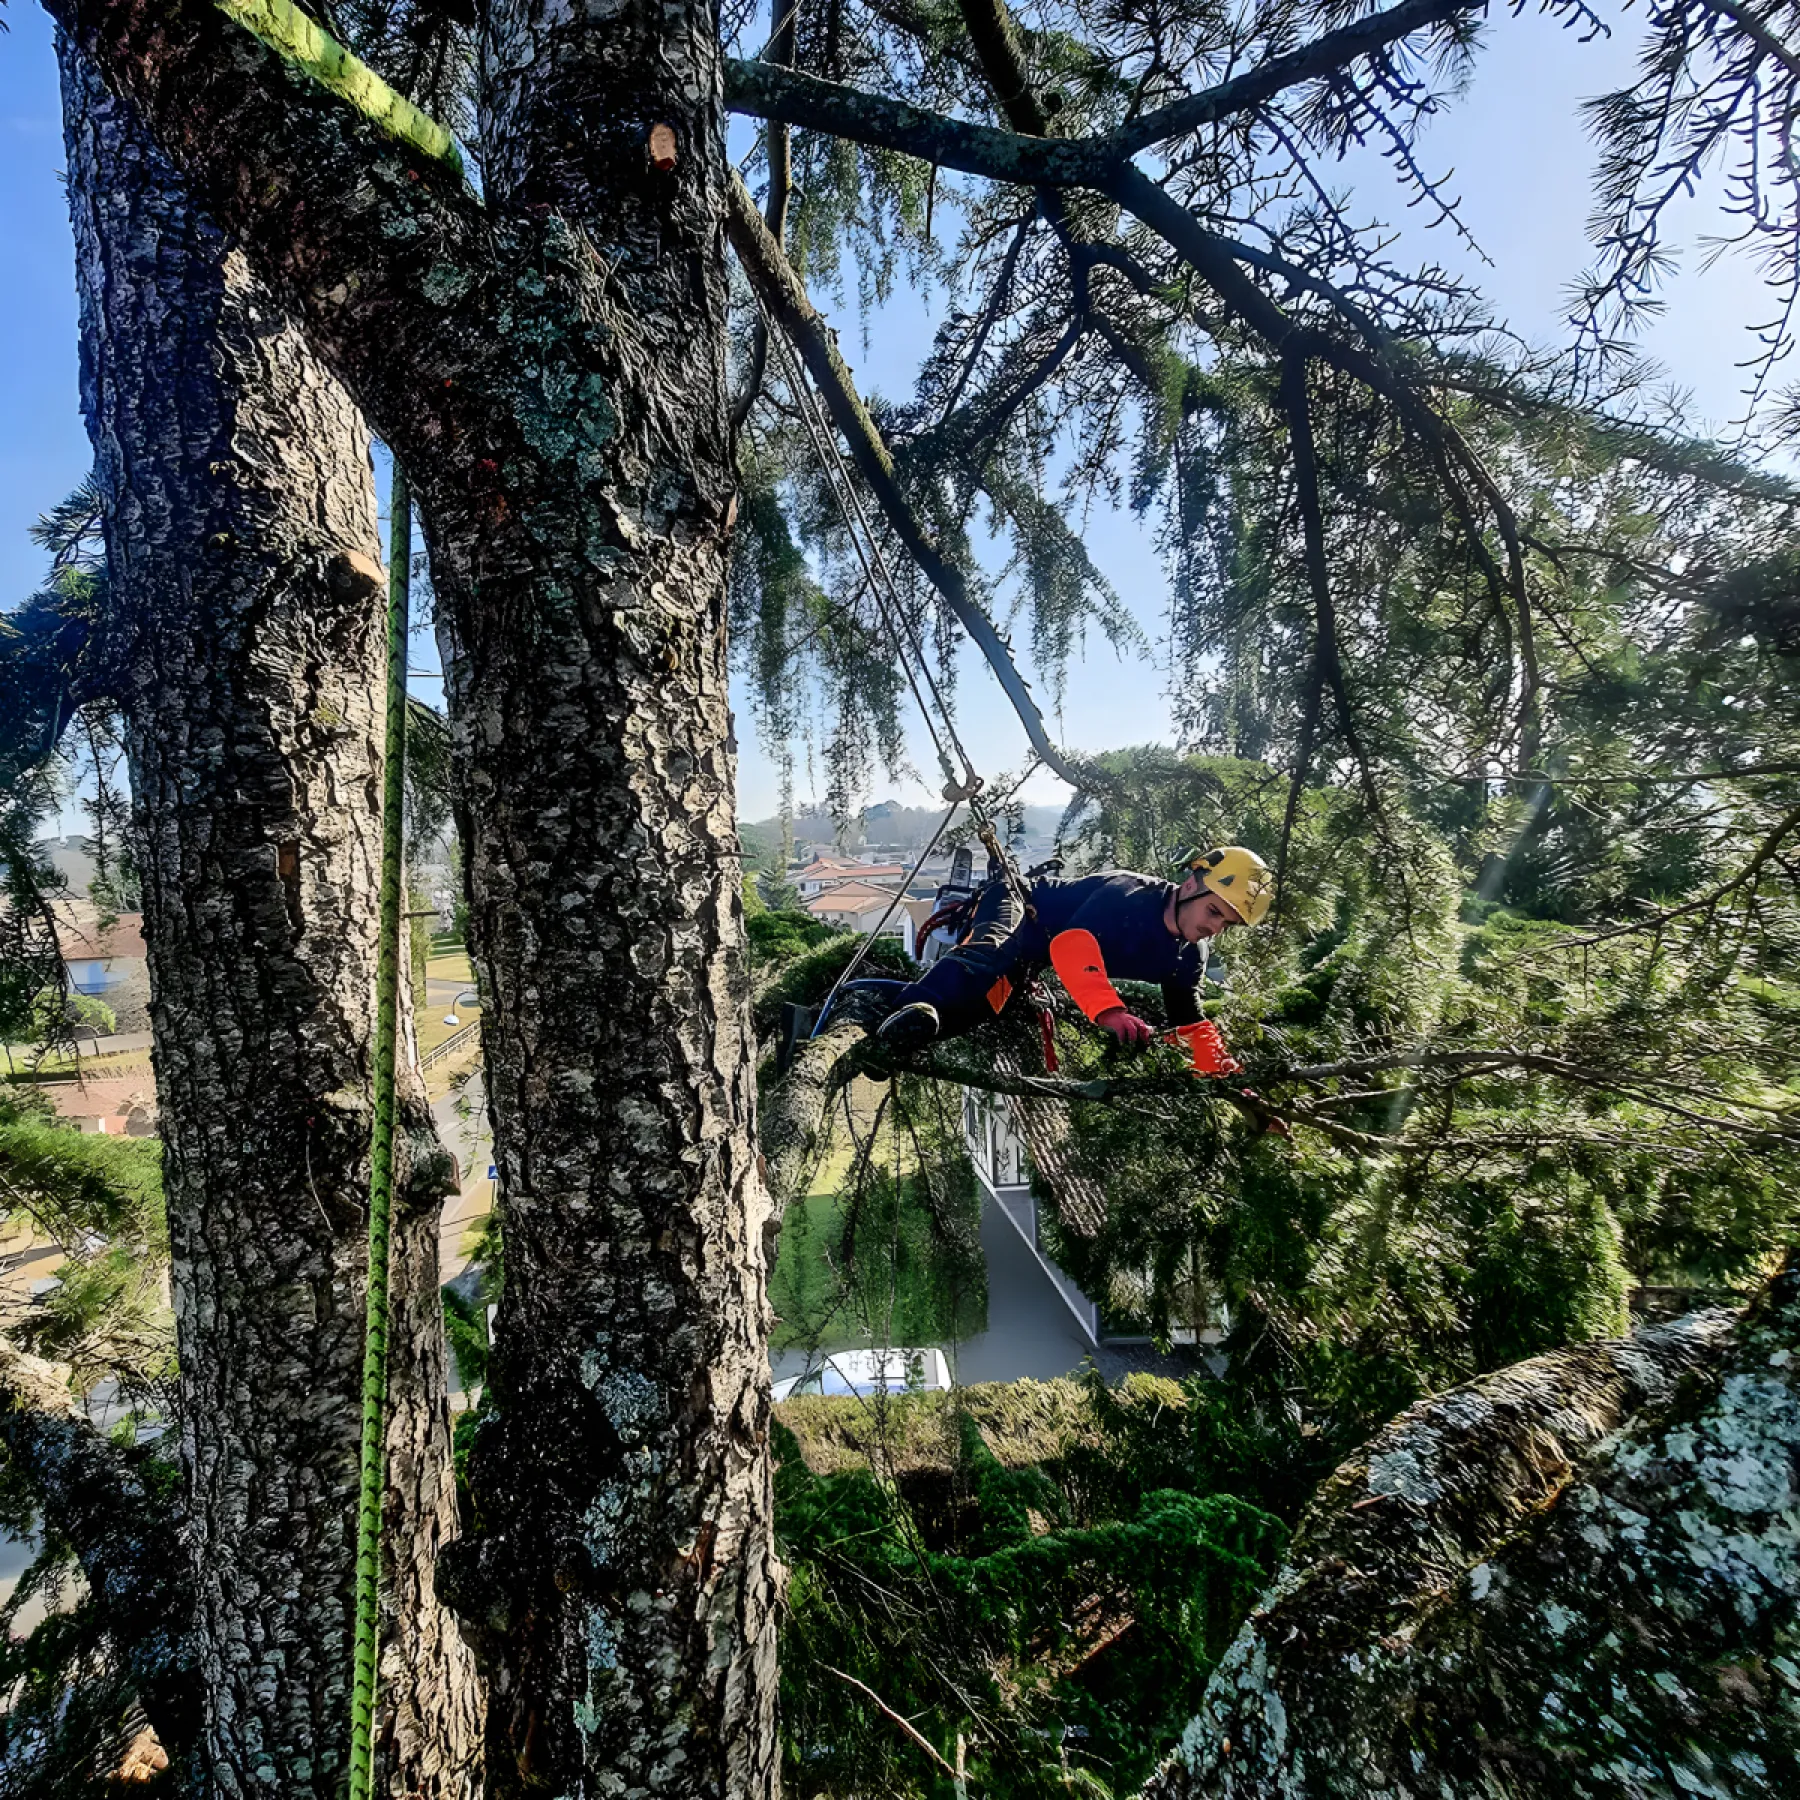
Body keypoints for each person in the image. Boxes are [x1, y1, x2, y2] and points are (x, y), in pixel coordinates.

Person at [877, 844, 1274, 1073]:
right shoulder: (1130, 896)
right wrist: (1109, 1011)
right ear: (1191, 884)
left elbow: (1191, 1024)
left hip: (1033, 951)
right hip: (1018, 902)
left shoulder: (1188, 957)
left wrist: (1238, 1087)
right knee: (988, 956)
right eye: (1214, 912)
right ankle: (902, 1011)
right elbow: (1071, 946)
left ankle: (878, 1022)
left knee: (979, 1009)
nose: (1216, 928)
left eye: (1228, 923)